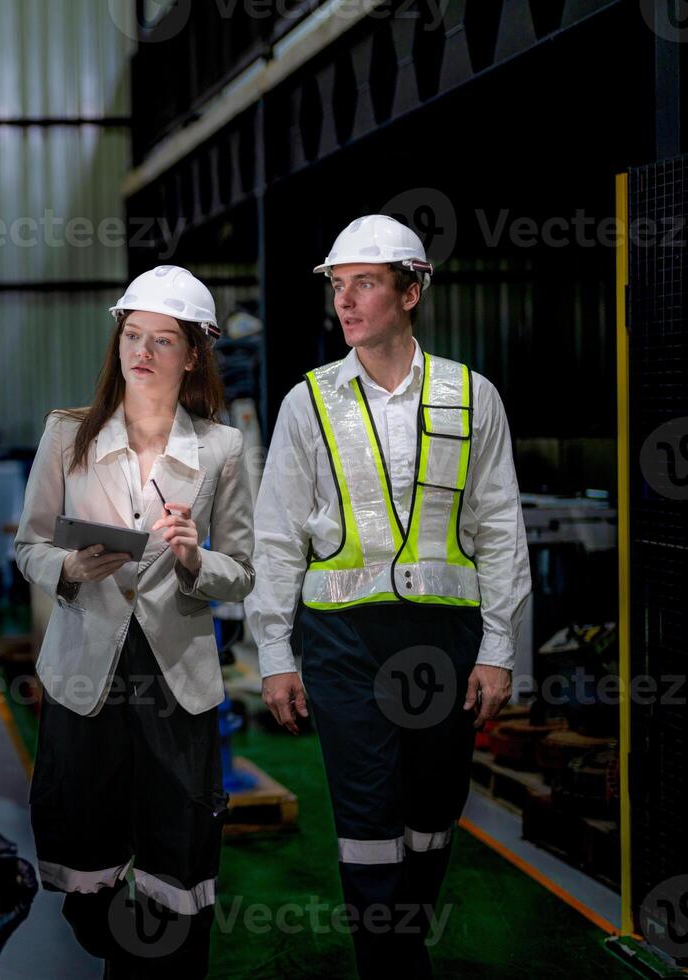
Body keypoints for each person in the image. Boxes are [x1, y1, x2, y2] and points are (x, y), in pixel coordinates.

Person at [244, 214, 530, 978]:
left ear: (411, 291)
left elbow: (501, 529)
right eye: (339, 286)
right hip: (342, 641)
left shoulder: (474, 397)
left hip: (445, 640)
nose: (346, 301)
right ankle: (391, 968)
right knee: (368, 820)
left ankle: (402, 946)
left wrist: (500, 651)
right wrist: (275, 652)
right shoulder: (309, 403)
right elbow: (276, 539)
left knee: (434, 816)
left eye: (364, 284)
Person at [14, 265, 256, 978]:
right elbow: (28, 544)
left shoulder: (219, 449)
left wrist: (194, 558)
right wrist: (67, 569)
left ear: (193, 354)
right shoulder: (68, 437)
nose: (141, 351)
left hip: (173, 681)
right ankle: (122, 948)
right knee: (82, 867)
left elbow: (241, 569)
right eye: (131, 335)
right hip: (85, 675)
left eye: (162, 339)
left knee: (178, 865)